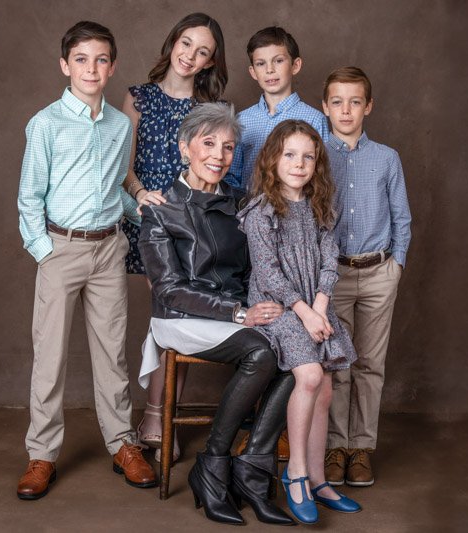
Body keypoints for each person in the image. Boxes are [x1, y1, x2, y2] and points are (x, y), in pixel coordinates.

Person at [15, 21, 156, 500]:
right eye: (81, 59)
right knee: (49, 356)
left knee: (112, 354)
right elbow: (30, 197)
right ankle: (42, 454)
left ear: (112, 66)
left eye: (101, 60)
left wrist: (148, 214)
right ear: (65, 65)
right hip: (61, 249)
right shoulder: (46, 123)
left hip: (108, 249)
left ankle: (122, 443)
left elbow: (117, 188)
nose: (91, 68)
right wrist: (45, 251)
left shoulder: (119, 126)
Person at [138, 103, 295, 526]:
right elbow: (170, 290)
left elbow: (254, 269)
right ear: (185, 146)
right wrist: (240, 313)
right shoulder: (159, 209)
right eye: (209, 143)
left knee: (297, 351)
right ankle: (213, 462)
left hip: (237, 315)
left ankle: (252, 470)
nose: (219, 155)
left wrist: (269, 309)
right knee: (262, 353)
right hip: (181, 319)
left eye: (228, 147)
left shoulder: (242, 204)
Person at [238, 120, 362, 524]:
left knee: (324, 386)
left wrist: (321, 304)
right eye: (290, 154)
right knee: (308, 375)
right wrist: (304, 311)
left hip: (315, 303)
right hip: (278, 308)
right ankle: (294, 476)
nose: (299, 163)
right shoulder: (260, 212)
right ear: (273, 159)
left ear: (317, 164)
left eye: (308, 156)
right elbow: (268, 272)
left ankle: (319, 480)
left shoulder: (320, 204)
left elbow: (330, 256)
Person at [120, 13, 228, 463]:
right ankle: (157, 416)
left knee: (181, 316)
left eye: (202, 51)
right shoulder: (137, 98)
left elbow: (219, 169)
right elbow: (122, 169)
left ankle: (160, 417)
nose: (191, 56)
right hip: (150, 221)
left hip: (196, 227)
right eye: (186, 44)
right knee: (170, 312)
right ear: (173, 43)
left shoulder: (214, 110)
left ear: (209, 62)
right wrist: (143, 194)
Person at [321, 67, 412, 488]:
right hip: (332, 276)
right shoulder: (317, 154)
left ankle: (362, 448)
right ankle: (335, 446)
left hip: (378, 274)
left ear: (368, 107)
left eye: (355, 102)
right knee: (338, 364)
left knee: (370, 364)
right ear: (325, 107)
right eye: (337, 101)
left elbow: (402, 218)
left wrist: (396, 266)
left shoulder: (387, 158)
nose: (346, 109)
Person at [223, 26, 328, 194]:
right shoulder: (241, 120)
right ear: (253, 72)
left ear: (295, 65)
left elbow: (322, 176)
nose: (269, 69)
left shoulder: (314, 119)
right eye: (260, 63)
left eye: (278, 61)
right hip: (248, 212)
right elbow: (232, 176)